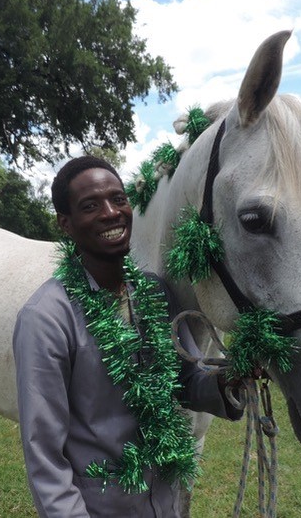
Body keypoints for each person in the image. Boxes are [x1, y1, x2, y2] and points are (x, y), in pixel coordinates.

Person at [13, 155, 242, 518]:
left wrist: (232, 381)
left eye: (118, 199)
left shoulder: (154, 292)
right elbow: (45, 457)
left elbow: (183, 382)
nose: (111, 212)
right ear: (65, 224)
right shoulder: (45, 318)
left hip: (163, 503)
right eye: (90, 205)